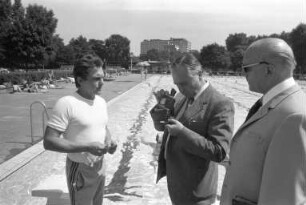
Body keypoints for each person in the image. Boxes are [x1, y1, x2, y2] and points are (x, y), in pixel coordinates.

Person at [220, 38, 306, 205]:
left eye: (246, 68)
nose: (244, 74)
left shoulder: (293, 116)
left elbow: (283, 198)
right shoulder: (275, 103)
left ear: (268, 69)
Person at [155, 53, 235, 205]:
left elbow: (219, 152)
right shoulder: (181, 97)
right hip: (177, 184)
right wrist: (162, 108)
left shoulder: (220, 104)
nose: (180, 88)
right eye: (177, 84)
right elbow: (163, 128)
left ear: (199, 74)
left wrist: (182, 132)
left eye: (184, 83)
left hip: (198, 192)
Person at [43, 53, 117, 205]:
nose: (102, 82)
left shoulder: (101, 102)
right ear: (80, 80)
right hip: (80, 169)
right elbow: (49, 141)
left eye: (103, 77)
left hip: (100, 165)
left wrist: (109, 140)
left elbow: (102, 125)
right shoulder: (67, 104)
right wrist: (88, 147)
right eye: (97, 78)